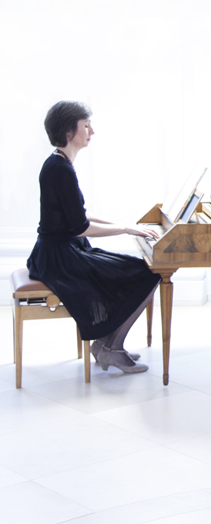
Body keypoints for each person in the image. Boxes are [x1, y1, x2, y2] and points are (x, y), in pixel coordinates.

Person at [26, 101, 162, 374]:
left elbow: (80, 216)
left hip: (58, 251)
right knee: (147, 275)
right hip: (59, 257)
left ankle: (106, 345)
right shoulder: (60, 169)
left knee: (137, 271)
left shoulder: (59, 163)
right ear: (68, 132)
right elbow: (81, 227)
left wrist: (126, 224)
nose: (92, 131)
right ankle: (111, 348)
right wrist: (126, 230)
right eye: (86, 125)